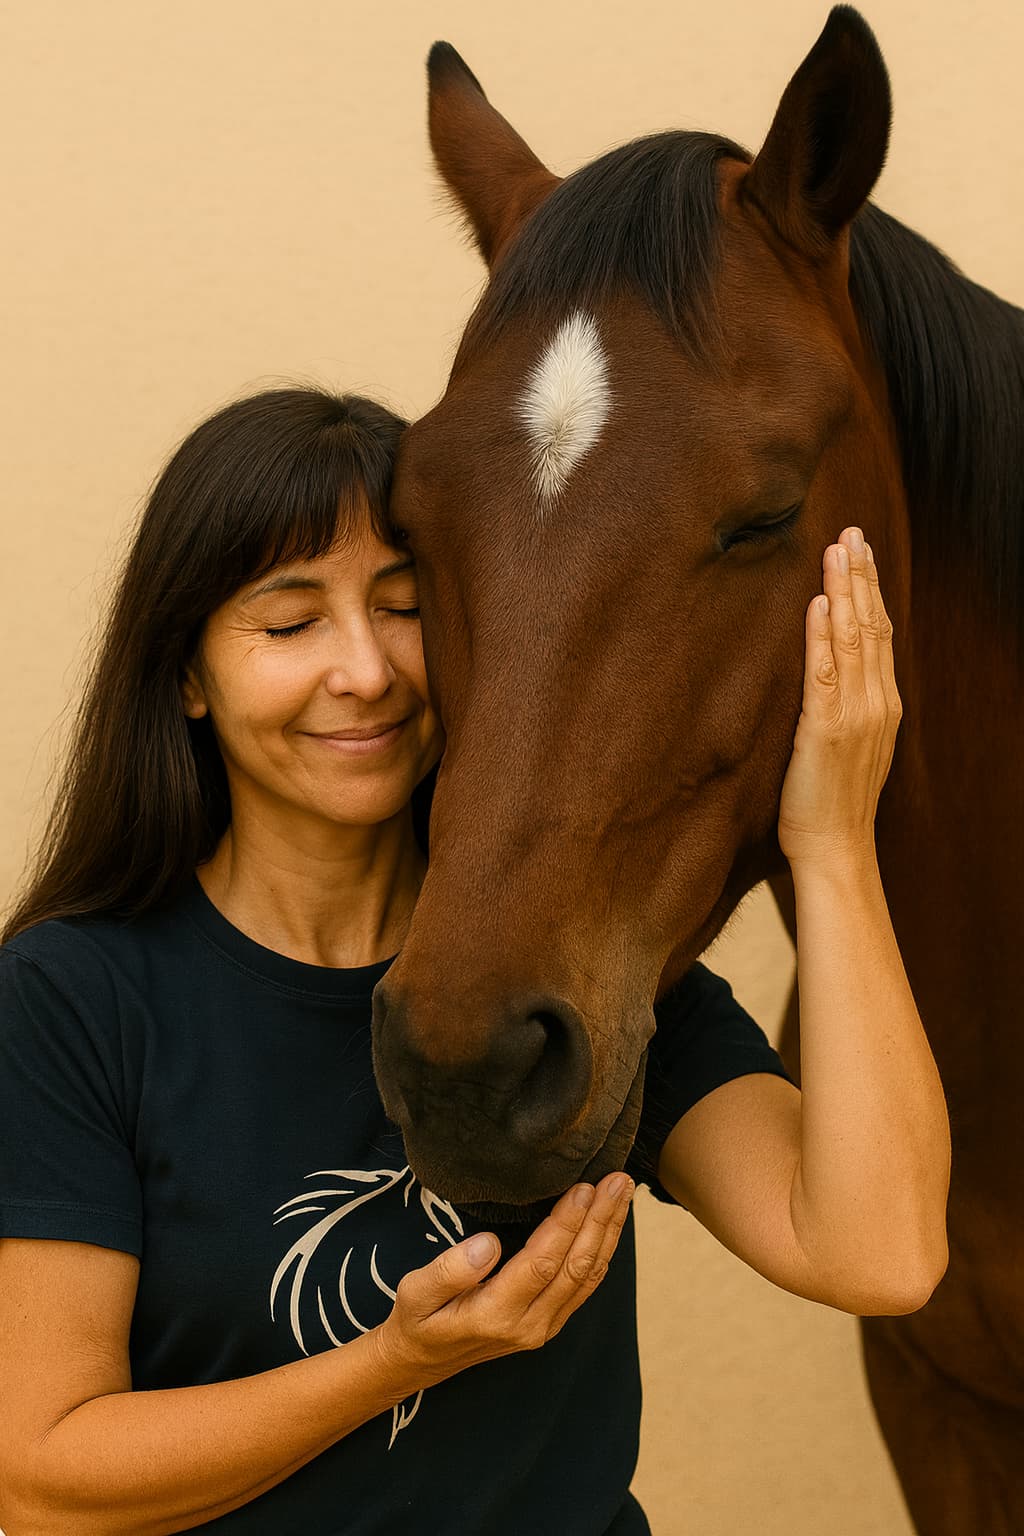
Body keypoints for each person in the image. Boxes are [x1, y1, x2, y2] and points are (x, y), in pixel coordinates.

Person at [0, 387, 949, 1536]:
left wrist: (834, 845)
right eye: (289, 623)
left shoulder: (572, 962)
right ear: (188, 676)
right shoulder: (72, 999)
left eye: (405, 608)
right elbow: (42, 1477)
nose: (365, 671)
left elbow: (878, 1255)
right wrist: (395, 1360)